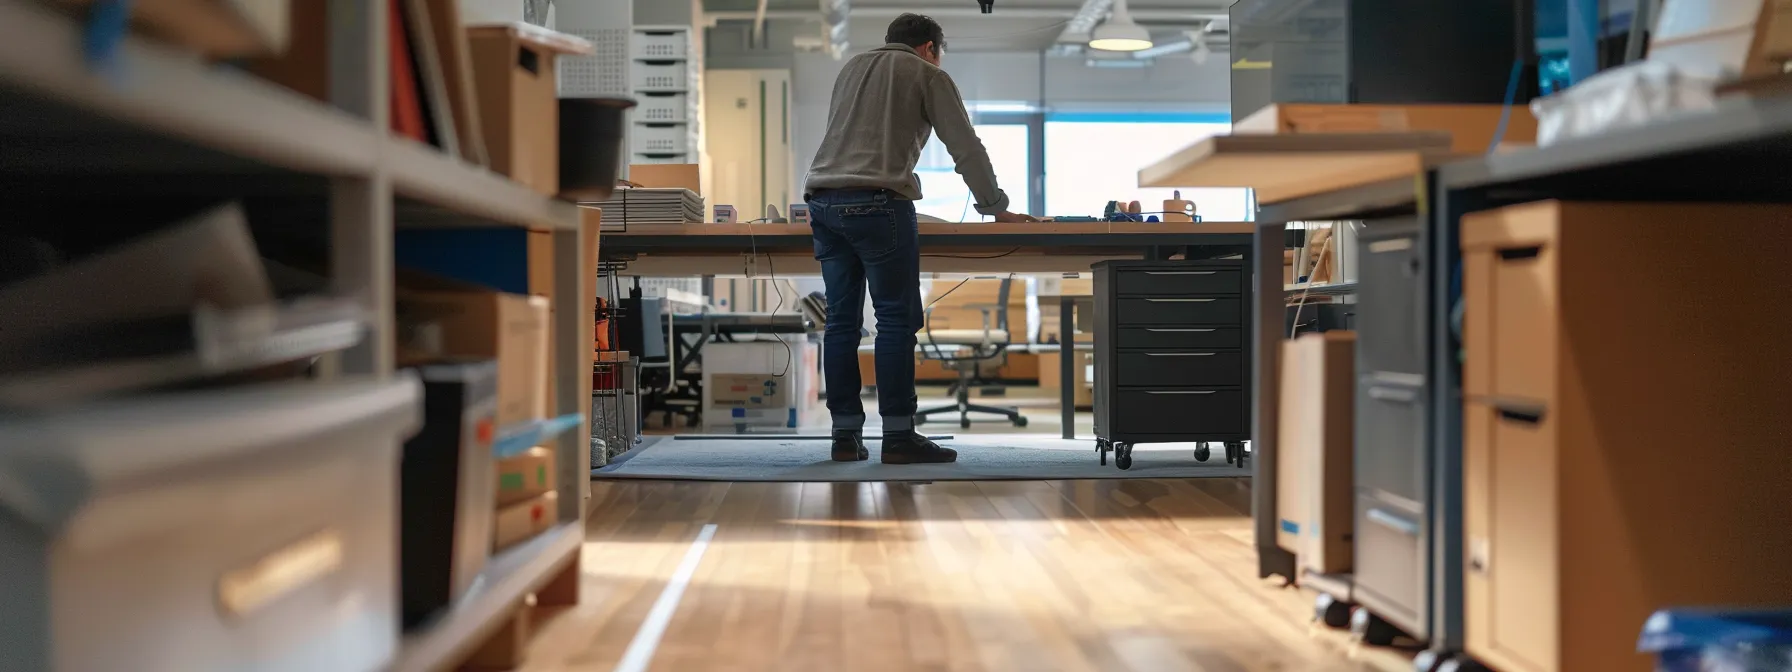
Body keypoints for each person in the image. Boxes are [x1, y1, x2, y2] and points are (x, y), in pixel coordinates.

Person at [803, 13, 1036, 464]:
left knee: (841, 324)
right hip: (878, 203)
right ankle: (898, 437)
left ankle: (845, 436)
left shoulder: (851, 67)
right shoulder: (928, 73)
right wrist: (995, 207)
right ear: (930, 47)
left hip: (823, 202)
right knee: (894, 321)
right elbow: (964, 145)